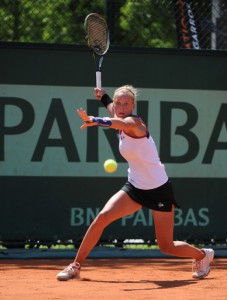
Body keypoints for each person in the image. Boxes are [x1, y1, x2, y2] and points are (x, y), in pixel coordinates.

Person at [57, 85, 214, 281]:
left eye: (126, 103)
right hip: (134, 187)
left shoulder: (135, 123)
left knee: (166, 246)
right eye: (118, 103)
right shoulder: (118, 114)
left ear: (133, 106)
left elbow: (118, 122)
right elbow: (112, 113)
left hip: (158, 189)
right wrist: (103, 96)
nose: (121, 107)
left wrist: (95, 120)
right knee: (102, 218)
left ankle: (202, 255)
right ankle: (75, 266)